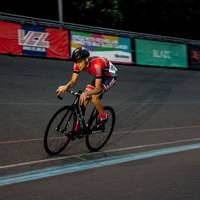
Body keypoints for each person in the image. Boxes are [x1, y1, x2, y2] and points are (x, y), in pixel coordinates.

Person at [56, 47, 118, 131]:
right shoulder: (77, 64)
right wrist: (66, 86)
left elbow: (98, 89)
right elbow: (73, 81)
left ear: (86, 59)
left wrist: (87, 94)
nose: (78, 65)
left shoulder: (96, 65)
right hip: (99, 74)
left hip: (110, 76)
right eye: (76, 62)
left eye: (79, 62)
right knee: (83, 99)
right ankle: (79, 126)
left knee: (93, 96)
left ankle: (103, 117)